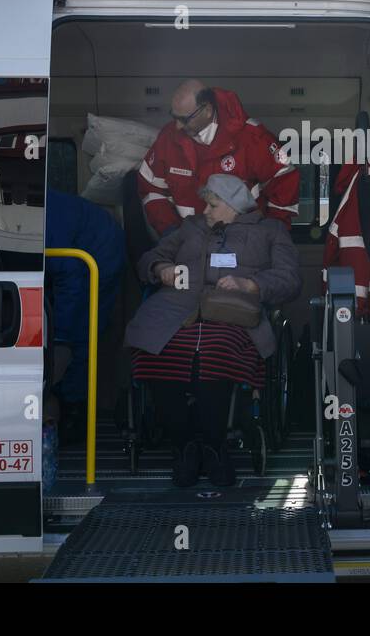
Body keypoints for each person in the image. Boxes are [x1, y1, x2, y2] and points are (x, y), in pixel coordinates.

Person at [126, 174, 300, 487]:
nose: (205, 211)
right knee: (156, 352)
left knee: (214, 354)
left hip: (233, 313)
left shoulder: (270, 230)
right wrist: (160, 269)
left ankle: (214, 446)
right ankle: (184, 446)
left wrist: (251, 284)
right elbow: (152, 257)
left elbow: (289, 279)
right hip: (177, 308)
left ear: (234, 206)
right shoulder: (191, 227)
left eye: (213, 204)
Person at [137, 80, 298, 236]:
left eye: (184, 119)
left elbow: (285, 181)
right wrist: (170, 232)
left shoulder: (252, 139)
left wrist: (271, 234)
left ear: (207, 110)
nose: (178, 125)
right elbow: (151, 188)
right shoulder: (168, 138)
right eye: (174, 116)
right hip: (188, 243)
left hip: (244, 245)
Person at [45, 189, 126, 446]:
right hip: (76, 248)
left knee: (80, 333)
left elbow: (69, 280)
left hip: (99, 254)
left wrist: (61, 338)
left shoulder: (47, 222)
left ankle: (74, 412)